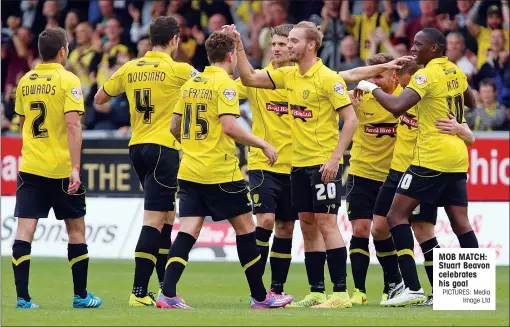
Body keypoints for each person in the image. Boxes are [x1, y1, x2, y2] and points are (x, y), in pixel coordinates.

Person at [227, 20, 410, 309]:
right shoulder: (289, 76)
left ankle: (339, 293)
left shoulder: (327, 79)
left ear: (311, 45)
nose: (288, 46)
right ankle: (317, 291)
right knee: (309, 225)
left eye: (294, 41)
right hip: (298, 166)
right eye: (287, 42)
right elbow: (248, 78)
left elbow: (350, 120)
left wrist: (335, 158)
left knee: (327, 223)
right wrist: (238, 45)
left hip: (322, 164)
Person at [156, 31, 293, 310]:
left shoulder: (192, 84)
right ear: (231, 56)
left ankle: (166, 294)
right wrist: (262, 143)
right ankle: (260, 297)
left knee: (189, 231)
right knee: (245, 229)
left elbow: (173, 126)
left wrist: (194, 147)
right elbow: (230, 127)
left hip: (190, 170)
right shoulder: (226, 86)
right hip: (220, 172)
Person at [356, 28, 479, 307]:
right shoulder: (455, 71)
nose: (413, 48)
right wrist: (460, 124)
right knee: (461, 223)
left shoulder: (426, 75)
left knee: (396, 217)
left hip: (430, 158)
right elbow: (470, 101)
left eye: (418, 44)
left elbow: (398, 107)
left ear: (434, 48)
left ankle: (411, 288)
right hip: (457, 157)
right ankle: (471, 293)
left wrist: (370, 87)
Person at [94, 16, 199, 307]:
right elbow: (208, 88)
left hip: (136, 146)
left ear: (151, 38)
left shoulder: (130, 67)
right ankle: (139, 292)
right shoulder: (179, 69)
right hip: (163, 148)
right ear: (175, 39)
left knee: (166, 216)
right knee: (154, 220)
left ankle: (166, 289)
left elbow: (100, 98)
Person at [12, 27, 102, 309]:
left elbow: (24, 122)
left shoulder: (25, 81)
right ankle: (80, 295)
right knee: (76, 230)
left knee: (24, 231)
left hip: (31, 167)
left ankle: (23, 298)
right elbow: (73, 124)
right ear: (63, 50)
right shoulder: (68, 79)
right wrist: (75, 168)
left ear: (41, 51)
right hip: (62, 169)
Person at [235, 24, 296, 299]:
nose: (277, 49)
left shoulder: (300, 79)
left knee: (286, 227)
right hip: (262, 163)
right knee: (267, 220)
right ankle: (257, 290)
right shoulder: (257, 78)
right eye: (274, 44)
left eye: (283, 44)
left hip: (295, 164)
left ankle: (277, 289)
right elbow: (224, 92)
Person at [345, 53, 400, 306]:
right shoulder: (357, 99)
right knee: (360, 230)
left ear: (393, 75)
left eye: (379, 75)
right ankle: (359, 290)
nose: (373, 80)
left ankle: (393, 284)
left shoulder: (405, 98)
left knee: (382, 231)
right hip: (361, 173)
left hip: (392, 177)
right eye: (370, 75)